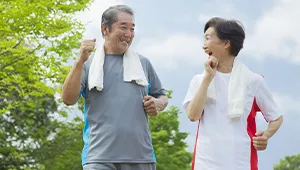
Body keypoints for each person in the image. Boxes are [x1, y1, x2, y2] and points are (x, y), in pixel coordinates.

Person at [61, 5, 168, 170]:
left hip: (141, 157)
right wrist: (79, 61)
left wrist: (158, 104)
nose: (129, 34)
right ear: (105, 29)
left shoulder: (143, 63)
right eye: (123, 27)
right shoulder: (87, 65)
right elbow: (68, 99)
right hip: (98, 158)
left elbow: (162, 96)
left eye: (132, 29)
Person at [182, 17, 283, 170]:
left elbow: (276, 118)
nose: (203, 46)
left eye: (208, 38)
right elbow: (192, 115)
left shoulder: (253, 81)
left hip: (242, 162)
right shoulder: (199, 80)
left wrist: (266, 135)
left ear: (226, 43)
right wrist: (207, 79)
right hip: (205, 162)